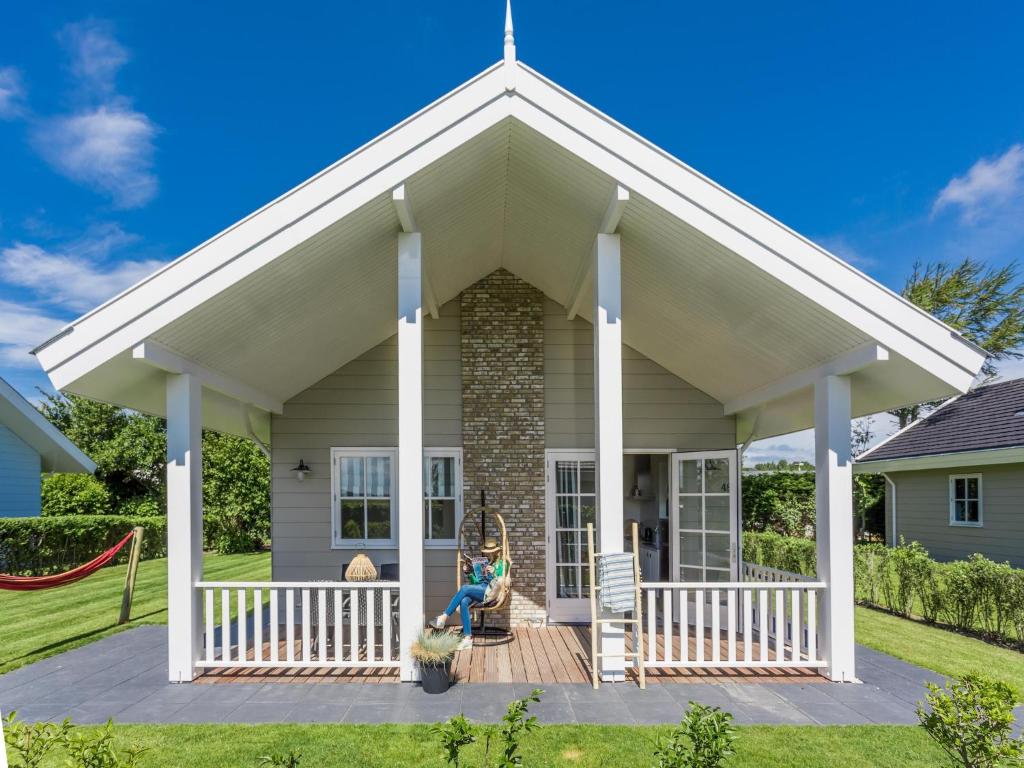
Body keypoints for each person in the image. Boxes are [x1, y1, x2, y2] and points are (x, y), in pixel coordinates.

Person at [433, 540, 505, 650]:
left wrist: (494, 571)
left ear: (497, 551)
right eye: (488, 552)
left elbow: (502, 579)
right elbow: (476, 582)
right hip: (481, 587)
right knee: (464, 601)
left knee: (464, 588)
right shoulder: (487, 562)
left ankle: (444, 616)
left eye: (491, 552)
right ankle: (467, 638)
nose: (489, 554)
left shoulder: (502, 563)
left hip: (489, 590)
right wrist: (469, 572)